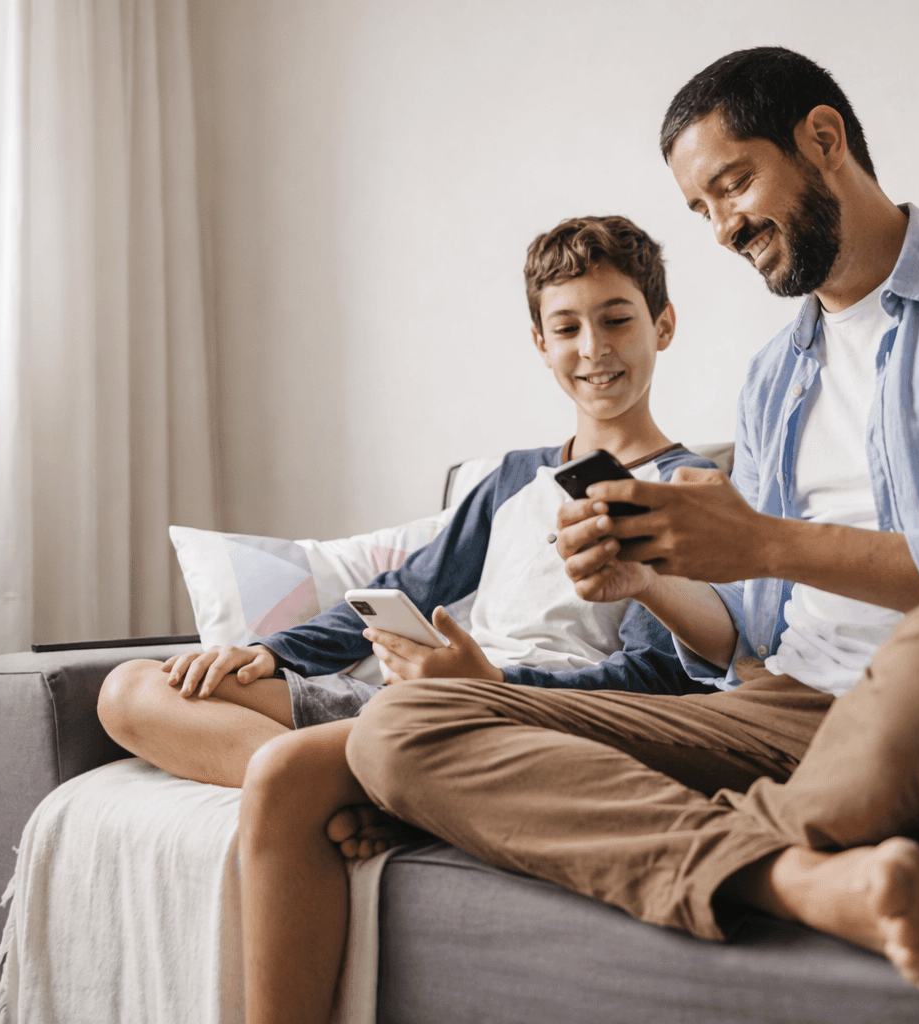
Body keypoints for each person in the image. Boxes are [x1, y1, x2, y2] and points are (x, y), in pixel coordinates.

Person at [339, 46, 919, 994]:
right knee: (400, 725)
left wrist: (765, 541)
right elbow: (751, 635)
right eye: (699, 208)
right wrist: (658, 583)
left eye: (733, 184)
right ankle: (798, 876)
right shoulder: (777, 376)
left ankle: (674, 844)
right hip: (792, 712)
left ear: (823, 139)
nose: (722, 229)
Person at [96, 214, 716, 1022]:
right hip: (408, 703)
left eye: (617, 318)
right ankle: (383, 793)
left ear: (662, 324)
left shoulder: (686, 490)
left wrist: (492, 683)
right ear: (540, 342)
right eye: (567, 326)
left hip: (520, 716)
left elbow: (658, 676)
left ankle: (368, 780)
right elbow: (407, 585)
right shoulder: (512, 479)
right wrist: (272, 656)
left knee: (290, 773)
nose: (593, 347)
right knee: (130, 691)